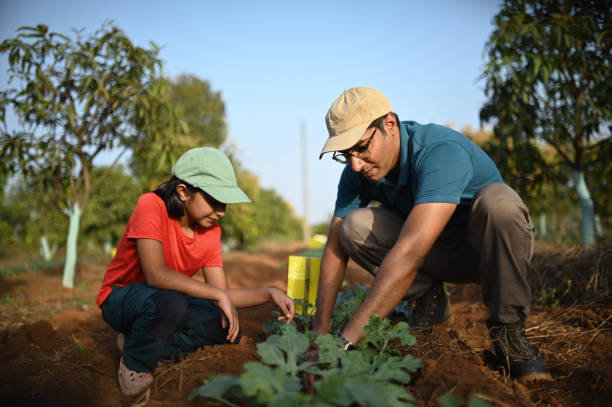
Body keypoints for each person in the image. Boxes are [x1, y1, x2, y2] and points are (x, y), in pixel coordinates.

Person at [312, 87, 552, 382]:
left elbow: (410, 253)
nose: (355, 164)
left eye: (361, 148)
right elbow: (334, 245)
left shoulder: (440, 152)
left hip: (491, 251)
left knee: (498, 204)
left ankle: (509, 332)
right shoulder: (358, 172)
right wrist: (319, 334)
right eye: (345, 155)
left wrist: (344, 342)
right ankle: (430, 301)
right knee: (352, 227)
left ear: (389, 124)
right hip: (437, 252)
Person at [96, 147, 295, 396]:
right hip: (121, 298)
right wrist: (217, 295)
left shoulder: (211, 232)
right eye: (214, 201)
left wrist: (269, 293)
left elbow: (222, 295)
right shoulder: (151, 206)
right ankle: (135, 364)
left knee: (226, 328)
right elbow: (156, 274)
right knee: (172, 304)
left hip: (165, 301)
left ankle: (139, 343)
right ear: (183, 191)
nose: (221, 212)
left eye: (224, 204)